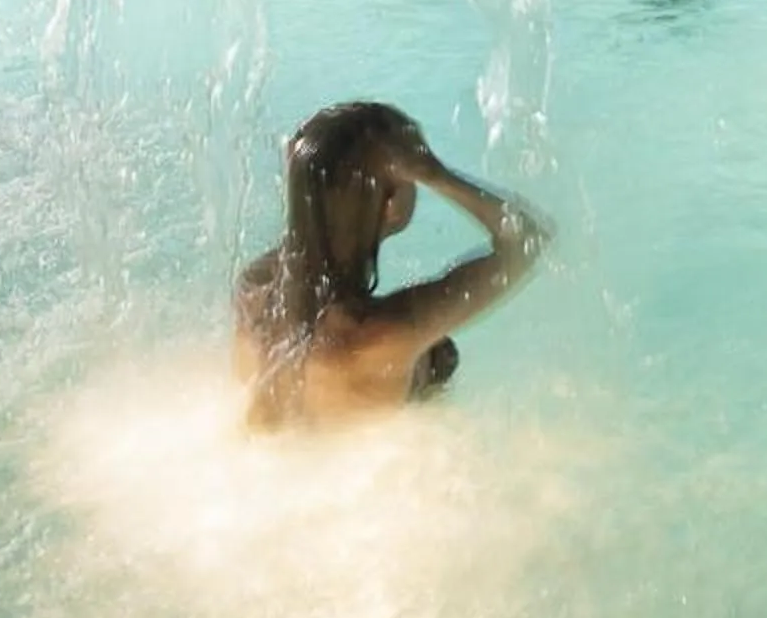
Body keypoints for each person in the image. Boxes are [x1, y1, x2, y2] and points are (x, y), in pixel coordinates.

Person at [235, 101, 552, 429]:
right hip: (386, 473)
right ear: (392, 203)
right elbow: (529, 239)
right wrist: (438, 175)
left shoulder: (254, 289)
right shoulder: (391, 330)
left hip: (276, 465)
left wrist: (308, 174)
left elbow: (308, 235)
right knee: (438, 356)